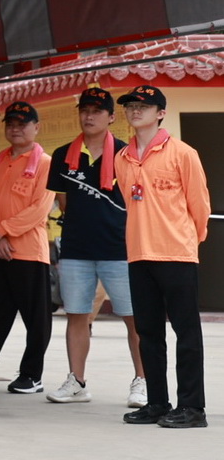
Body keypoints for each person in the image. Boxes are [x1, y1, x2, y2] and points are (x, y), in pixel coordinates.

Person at [113, 85, 210, 428]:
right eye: (130, 105)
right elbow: (130, 200)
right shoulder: (121, 158)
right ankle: (156, 402)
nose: (136, 110)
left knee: (186, 332)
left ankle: (192, 408)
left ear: (161, 113)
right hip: (139, 253)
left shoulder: (183, 153)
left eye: (144, 105)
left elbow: (200, 206)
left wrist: (188, 241)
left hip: (176, 254)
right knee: (148, 332)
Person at [45, 86, 146, 405]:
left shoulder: (126, 153)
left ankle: (143, 381)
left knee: (134, 317)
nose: (89, 116)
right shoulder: (62, 154)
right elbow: (61, 202)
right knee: (76, 314)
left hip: (119, 249)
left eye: (97, 111)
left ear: (111, 118)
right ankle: (77, 381)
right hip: (76, 249)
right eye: (84, 110)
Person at [0, 101, 56, 395]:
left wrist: (1, 232)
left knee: (36, 318)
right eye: (11, 124)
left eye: (22, 123)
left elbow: (39, 209)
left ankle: (32, 374)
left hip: (30, 253)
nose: (16, 129)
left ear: (36, 127)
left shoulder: (45, 163)